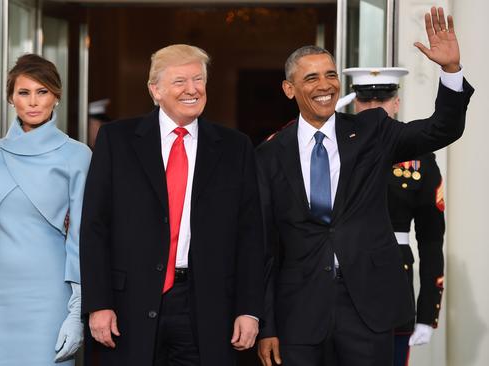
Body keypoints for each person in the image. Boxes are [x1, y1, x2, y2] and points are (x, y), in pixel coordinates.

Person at [256, 7, 472, 366]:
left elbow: (440, 129)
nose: (324, 86)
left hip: (367, 308)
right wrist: (267, 326)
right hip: (299, 313)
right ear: (289, 88)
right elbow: (263, 247)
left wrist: (450, 71)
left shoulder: (372, 131)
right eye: (311, 78)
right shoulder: (267, 155)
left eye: (329, 75)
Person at [80, 44, 264, 366]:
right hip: (128, 305)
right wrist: (98, 303)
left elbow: (250, 236)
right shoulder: (116, 140)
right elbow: (95, 226)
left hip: (206, 306)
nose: (192, 90)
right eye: (180, 81)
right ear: (155, 90)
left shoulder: (236, 148)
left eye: (198, 79)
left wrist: (248, 309)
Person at [0, 53, 91, 365]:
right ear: (11, 98)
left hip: (50, 289)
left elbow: (81, 237)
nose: (33, 102)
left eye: (43, 92)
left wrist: (77, 311)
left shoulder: (77, 154)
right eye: (24, 92)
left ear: (56, 96)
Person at [341, 66, 445, 366]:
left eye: (383, 101)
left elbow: (430, 240)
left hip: (392, 287)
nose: (374, 108)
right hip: (339, 282)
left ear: (396, 104)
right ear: (354, 102)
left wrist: (427, 313)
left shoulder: (421, 161)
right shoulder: (333, 149)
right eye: (365, 101)